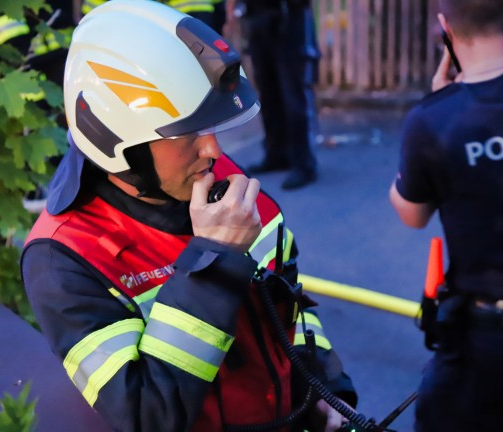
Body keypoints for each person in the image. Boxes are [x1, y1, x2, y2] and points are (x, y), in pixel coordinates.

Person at [21, 1, 358, 431]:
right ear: (115, 141)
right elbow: (148, 414)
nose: (214, 150)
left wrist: (325, 389)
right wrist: (214, 261)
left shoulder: (217, 178)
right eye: (187, 132)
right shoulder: (65, 259)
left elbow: (292, 306)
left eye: (212, 126)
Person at [389, 1, 503, 431]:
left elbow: (412, 214)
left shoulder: (433, 121)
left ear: (445, 27)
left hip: (492, 333)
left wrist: (435, 117)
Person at [226, 0, 321, 190]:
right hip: (258, 19)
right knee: (268, 94)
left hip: (288, 18)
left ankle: (304, 163)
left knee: (294, 95)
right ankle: (276, 154)